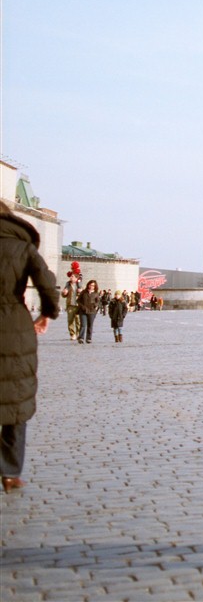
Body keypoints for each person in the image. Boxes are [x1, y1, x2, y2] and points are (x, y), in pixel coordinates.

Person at [0, 202, 59, 493]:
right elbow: (48, 285)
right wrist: (46, 314)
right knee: (16, 402)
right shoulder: (23, 248)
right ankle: (10, 473)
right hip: (16, 328)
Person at [61, 271, 81, 342]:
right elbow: (63, 295)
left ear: (76, 278)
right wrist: (63, 293)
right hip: (70, 305)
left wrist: (81, 291)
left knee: (78, 320)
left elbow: (83, 294)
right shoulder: (68, 285)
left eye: (72, 276)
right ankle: (72, 334)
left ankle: (79, 333)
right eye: (70, 276)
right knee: (70, 320)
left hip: (78, 305)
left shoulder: (79, 285)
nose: (70, 277)